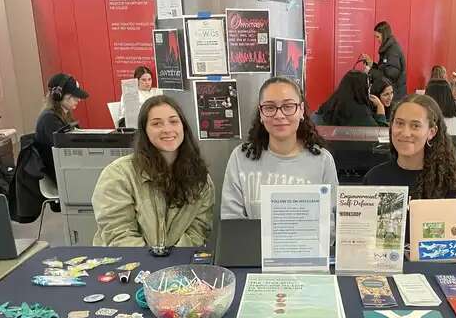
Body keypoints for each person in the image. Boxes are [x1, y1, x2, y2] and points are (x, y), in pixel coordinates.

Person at [92, 95, 214, 247]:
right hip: (129, 260)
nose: (167, 129)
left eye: (173, 121)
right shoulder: (118, 175)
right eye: (157, 124)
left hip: (178, 261)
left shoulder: (200, 179)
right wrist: (154, 261)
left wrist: (173, 259)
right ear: (145, 131)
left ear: (183, 127)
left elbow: (198, 232)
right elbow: (119, 236)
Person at [222, 76, 338, 220]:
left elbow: (331, 220)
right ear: (261, 113)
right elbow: (231, 220)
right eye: (270, 107)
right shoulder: (240, 158)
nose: (279, 115)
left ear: (301, 110)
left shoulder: (322, 160)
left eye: (288, 106)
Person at [363, 94, 456, 203]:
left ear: (431, 132)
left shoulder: (448, 184)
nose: (405, 133)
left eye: (415, 126)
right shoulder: (374, 179)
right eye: (399, 123)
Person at [35, 73, 89, 182]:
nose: (78, 99)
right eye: (74, 96)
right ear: (59, 95)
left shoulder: (64, 115)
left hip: (67, 170)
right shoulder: (49, 119)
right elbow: (66, 151)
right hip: (61, 176)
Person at [316, 70, 387, 127]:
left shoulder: (330, 104)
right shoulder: (361, 112)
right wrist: (380, 106)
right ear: (361, 89)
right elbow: (379, 133)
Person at [362, 22, 407, 100]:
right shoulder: (388, 49)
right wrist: (371, 64)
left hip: (394, 96)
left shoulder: (393, 51)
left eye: (378, 37)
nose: (377, 40)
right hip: (390, 94)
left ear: (384, 35)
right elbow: (384, 70)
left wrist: (370, 71)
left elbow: (389, 77)